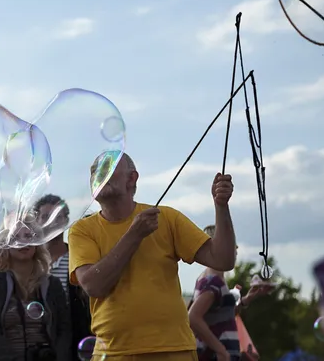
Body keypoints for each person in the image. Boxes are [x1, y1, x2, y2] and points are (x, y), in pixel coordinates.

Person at [68, 152, 237, 361]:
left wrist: (221, 207)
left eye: (107, 168)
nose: (99, 174)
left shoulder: (166, 218)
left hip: (175, 351)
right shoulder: (82, 230)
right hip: (113, 353)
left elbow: (222, 260)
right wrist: (134, 235)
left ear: (132, 178)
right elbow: (94, 285)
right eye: (95, 171)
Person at [0, 223, 71, 361]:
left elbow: (64, 330)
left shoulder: (52, 284)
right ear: (5, 244)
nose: (24, 242)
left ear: (37, 243)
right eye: (16, 237)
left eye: (29, 236)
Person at [188, 225, 272, 361]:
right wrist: (221, 350)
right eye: (231, 244)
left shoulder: (211, 278)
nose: (236, 251)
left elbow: (220, 317)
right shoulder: (212, 281)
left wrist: (247, 299)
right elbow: (193, 317)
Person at [33, 194, 93, 360]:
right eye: (45, 216)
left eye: (57, 216)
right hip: (36, 344)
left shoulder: (78, 259)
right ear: (36, 221)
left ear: (66, 221)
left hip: (76, 343)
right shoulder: (29, 264)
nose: (51, 221)